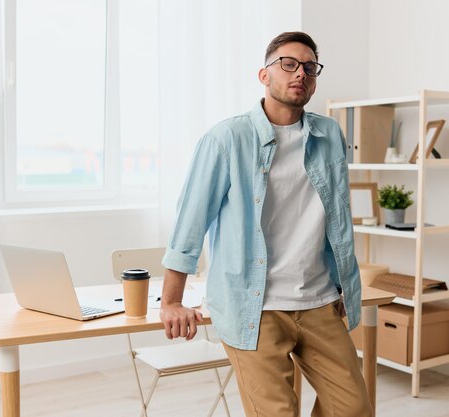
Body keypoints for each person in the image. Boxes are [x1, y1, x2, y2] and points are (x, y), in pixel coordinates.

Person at [159, 31, 372, 417]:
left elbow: (337, 221)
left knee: (354, 409)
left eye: (309, 67)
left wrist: (343, 282)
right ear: (264, 74)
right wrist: (171, 300)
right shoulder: (227, 139)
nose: (299, 73)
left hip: (320, 302)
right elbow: (191, 221)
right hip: (254, 306)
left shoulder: (330, 135)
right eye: (288, 64)